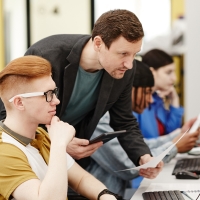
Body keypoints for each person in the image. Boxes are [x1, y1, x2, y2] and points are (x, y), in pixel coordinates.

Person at [0, 9, 163, 176]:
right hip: (28, 157)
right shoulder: (47, 55)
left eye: (134, 54)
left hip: (74, 162)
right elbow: (8, 115)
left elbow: (124, 120)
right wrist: (57, 143)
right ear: (98, 43)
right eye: (123, 54)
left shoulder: (124, 70)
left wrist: (143, 156)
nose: (129, 64)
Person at [0, 55, 125, 200]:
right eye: (47, 95)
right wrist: (59, 144)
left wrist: (105, 195)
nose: (56, 101)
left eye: (54, 92)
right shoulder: (4, 151)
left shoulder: (40, 134)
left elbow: (80, 180)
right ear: (19, 103)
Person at [86, 60, 199, 195]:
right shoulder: (99, 117)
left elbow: (142, 146)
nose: (150, 100)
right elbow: (127, 164)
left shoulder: (115, 116)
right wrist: (174, 147)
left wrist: (179, 134)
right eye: (148, 92)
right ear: (129, 88)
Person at [134, 49, 184, 139]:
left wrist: (174, 99)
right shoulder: (136, 101)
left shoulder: (157, 99)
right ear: (152, 72)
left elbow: (172, 135)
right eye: (168, 72)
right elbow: (138, 144)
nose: (174, 78)